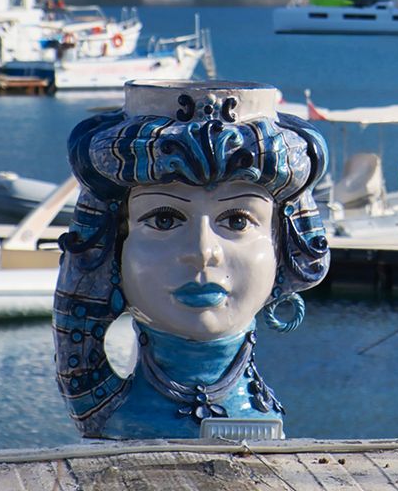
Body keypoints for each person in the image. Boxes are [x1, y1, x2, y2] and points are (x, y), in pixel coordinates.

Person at [53, 81, 329, 439]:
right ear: (114, 245)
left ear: (282, 243)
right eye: (164, 220)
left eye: (237, 220)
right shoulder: (119, 417)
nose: (202, 252)